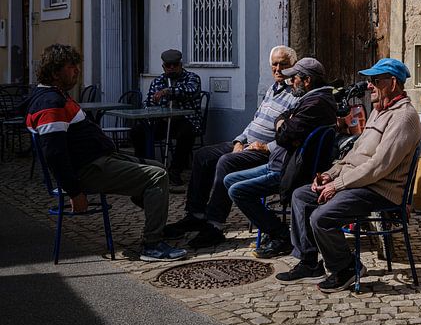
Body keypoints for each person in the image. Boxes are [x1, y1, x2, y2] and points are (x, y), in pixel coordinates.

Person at [25, 44, 187, 261]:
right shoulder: (50, 102)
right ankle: (152, 245)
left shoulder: (55, 95)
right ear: (55, 72)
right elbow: (54, 153)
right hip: (89, 169)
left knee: (158, 167)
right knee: (157, 178)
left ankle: (155, 220)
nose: (77, 70)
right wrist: (74, 192)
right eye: (71, 67)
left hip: (98, 159)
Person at [276, 58, 421, 293]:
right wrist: (330, 174)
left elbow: (378, 167)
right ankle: (309, 262)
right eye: (369, 80)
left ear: (393, 83)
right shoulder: (378, 111)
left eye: (375, 81)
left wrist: (338, 185)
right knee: (301, 196)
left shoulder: (403, 118)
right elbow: (354, 153)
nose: (369, 86)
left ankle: (345, 268)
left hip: (379, 189)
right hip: (361, 182)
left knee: (321, 217)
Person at [163, 46, 299, 248]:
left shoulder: (295, 94)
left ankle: (214, 225)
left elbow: (290, 135)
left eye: (284, 65)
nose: (278, 69)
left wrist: (265, 147)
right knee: (203, 155)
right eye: (275, 64)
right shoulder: (272, 89)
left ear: (293, 67)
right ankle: (195, 214)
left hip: (264, 152)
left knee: (226, 162)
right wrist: (239, 140)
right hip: (245, 143)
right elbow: (254, 121)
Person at [225, 57, 337, 258]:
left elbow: (285, 136)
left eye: (294, 78)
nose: (290, 82)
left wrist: (284, 125)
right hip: (280, 161)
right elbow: (283, 120)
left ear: (307, 80)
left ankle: (280, 234)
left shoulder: (315, 103)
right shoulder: (308, 98)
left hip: (289, 170)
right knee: (229, 178)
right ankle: (274, 231)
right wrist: (284, 123)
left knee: (237, 191)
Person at [130, 49, 202, 190]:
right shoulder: (158, 81)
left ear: (180, 64)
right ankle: (145, 168)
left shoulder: (192, 78)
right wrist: (152, 107)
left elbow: (190, 90)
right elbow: (149, 102)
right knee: (137, 132)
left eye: (175, 65)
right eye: (168, 65)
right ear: (163, 66)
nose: (171, 68)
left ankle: (175, 170)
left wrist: (167, 91)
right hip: (163, 121)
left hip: (186, 120)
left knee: (186, 133)